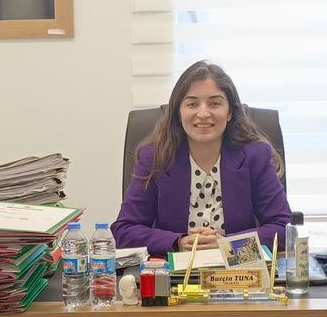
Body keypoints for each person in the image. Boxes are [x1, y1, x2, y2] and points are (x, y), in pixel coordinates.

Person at [112, 60, 292, 256]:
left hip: (238, 271)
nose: (203, 113)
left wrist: (228, 246)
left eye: (215, 103)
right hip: (176, 271)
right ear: (178, 113)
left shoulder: (255, 156)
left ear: (230, 112)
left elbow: (284, 228)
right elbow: (124, 231)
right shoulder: (155, 158)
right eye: (192, 104)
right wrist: (178, 242)